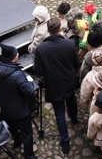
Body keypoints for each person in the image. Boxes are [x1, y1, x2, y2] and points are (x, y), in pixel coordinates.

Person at [33, 17, 78, 154]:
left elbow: (39, 71)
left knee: (59, 113)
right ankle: (74, 117)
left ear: (48, 30)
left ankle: (65, 141)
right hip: (69, 81)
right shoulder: (70, 44)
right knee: (71, 100)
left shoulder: (41, 48)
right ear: (60, 29)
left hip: (54, 85)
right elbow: (76, 63)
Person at [0, 44, 37, 158]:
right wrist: (29, 82)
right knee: (27, 134)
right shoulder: (17, 75)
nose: (18, 54)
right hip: (21, 111)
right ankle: (29, 155)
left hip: (6, 107)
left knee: (13, 127)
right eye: (16, 54)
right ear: (11, 58)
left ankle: (17, 142)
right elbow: (29, 92)